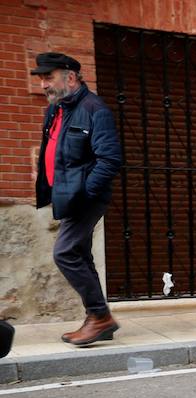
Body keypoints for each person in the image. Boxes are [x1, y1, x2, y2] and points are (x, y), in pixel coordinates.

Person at [32, 52, 124, 347]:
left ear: (70, 77)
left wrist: (86, 193)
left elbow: (109, 159)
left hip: (85, 198)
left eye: (49, 77)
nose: (44, 84)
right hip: (67, 195)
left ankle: (100, 317)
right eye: (42, 78)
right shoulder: (57, 110)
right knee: (81, 254)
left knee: (65, 253)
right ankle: (99, 319)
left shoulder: (94, 109)